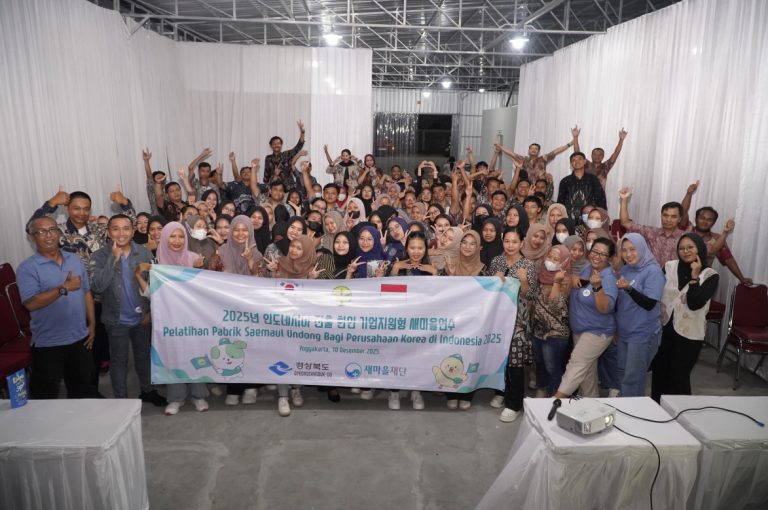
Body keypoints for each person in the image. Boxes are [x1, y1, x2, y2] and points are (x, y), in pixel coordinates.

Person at [17, 217, 99, 399]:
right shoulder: (27, 268)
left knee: (82, 393)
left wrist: (92, 325)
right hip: (48, 343)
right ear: (32, 237)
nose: (49, 235)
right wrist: (63, 288)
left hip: (79, 338)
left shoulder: (74, 259)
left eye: (52, 229)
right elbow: (31, 303)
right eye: (42, 231)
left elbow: (86, 292)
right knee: (44, 398)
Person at [90, 214, 165, 405]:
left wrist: (150, 312)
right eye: (115, 229)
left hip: (142, 318)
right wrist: (112, 259)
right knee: (119, 360)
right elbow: (97, 287)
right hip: (116, 320)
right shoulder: (99, 256)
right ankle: (121, 401)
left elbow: (154, 286)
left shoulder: (144, 253)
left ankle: (148, 391)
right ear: (108, 232)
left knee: (143, 356)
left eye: (126, 228)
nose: (121, 233)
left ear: (133, 232)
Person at [652, 233, 719, 402]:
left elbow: (695, 303)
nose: (685, 251)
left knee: (679, 377)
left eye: (690, 247)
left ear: (699, 248)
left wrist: (695, 277)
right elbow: (656, 291)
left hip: (690, 335)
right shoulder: (669, 266)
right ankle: (656, 408)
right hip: (665, 330)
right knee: (660, 372)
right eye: (681, 248)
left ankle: (681, 411)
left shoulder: (710, 275)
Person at [154, 222, 209, 414]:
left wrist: (199, 269)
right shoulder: (157, 262)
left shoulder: (194, 258)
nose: (177, 241)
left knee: (196, 354)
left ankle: (199, 395)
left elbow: (206, 290)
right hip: (169, 318)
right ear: (165, 238)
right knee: (173, 355)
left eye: (181, 236)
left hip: (193, 317)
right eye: (172, 236)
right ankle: (176, 397)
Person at [554, 237, 619, 399]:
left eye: (603, 254)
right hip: (579, 329)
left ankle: (555, 401)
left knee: (576, 364)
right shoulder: (587, 268)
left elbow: (605, 308)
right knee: (586, 375)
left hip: (597, 331)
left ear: (609, 258)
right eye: (595, 251)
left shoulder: (608, 278)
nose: (597, 256)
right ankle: (591, 405)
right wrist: (574, 277)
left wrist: (598, 287)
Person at [487, 228, 537, 422]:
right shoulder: (496, 262)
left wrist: (523, 280)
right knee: (498, 356)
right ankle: (500, 392)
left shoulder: (528, 265)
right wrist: (494, 280)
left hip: (518, 320)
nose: (510, 245)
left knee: (515, 360)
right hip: (497, 318)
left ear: (522, 243)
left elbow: (530, 295)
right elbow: (487, 289)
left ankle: (514, 404)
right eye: (507, 241)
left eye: (514, 241)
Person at [615, 233, 666, 397]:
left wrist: (629, 289)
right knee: (622, 372)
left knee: (633, 378)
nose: (628, 254)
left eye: (632, 249)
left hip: (642, 333)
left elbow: (649, 303)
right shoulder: (625, 269)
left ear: (642, 249)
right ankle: (624, 405)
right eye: (624, 250)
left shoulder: (653, 271)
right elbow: (621, 303)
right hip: (624, 331)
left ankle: (633, 409)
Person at [680, 183, 752, 285]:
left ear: (713, 223)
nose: (705, 222)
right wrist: (689, 194)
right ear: (696, 219)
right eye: (702, 218)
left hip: (702, 283)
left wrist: (742, 278)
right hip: (679, 277)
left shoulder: (717, 239)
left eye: (709, 220)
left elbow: (728, 259)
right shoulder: (687, 229)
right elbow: (683, 212)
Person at [531, 245, 572, 397]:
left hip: (556, 334)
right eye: (550, 257)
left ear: (564, 262)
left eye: (556, 259)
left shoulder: (566, 281)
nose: (551, 261)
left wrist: (556, 282)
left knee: (552, 367)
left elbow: (555, 306)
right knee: (540, 363)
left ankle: (555, 396)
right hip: (538, 330)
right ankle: (541, 388)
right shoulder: (541, 275)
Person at [619, 187, 686, 266]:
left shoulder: (685, 237)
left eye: (673, 217)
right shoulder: (651, 232)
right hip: (650, 272)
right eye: (665, 215)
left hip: (674, 274)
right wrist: (624, 200)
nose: (668, 219)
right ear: (661, 216)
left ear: (679, 219)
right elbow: (626, 223)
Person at [494, 132, 575, 183]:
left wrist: (569, 144)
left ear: (538, 151)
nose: (533, 150)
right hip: (527, 187)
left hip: (541, 186)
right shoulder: (524, 159)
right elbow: (512, 154)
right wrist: (500, 147)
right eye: (531, 148)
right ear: (528, 150)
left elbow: (555, 151)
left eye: (536, 149)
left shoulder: (543, 158)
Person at [556, 152, 607, 222]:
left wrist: (602, 216)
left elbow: (601, 199)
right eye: (573, 160)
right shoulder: (565, 181)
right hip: (569, 220)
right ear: (571, 163)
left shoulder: (593, 179)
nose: (577, 162)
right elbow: (560, 203)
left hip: (590, 220)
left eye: (579, 159)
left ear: (585, 161)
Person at [263, 121, 306, 191]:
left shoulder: (286, 154)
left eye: (278, 143)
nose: (276, 145)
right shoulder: (268, 158)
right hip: (275, 188)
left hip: (289, 187)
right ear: (271, 146)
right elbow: (266, 175)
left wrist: (302, 132)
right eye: (274, 144)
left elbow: (298, 146)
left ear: (281, 145)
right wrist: (268, 187)